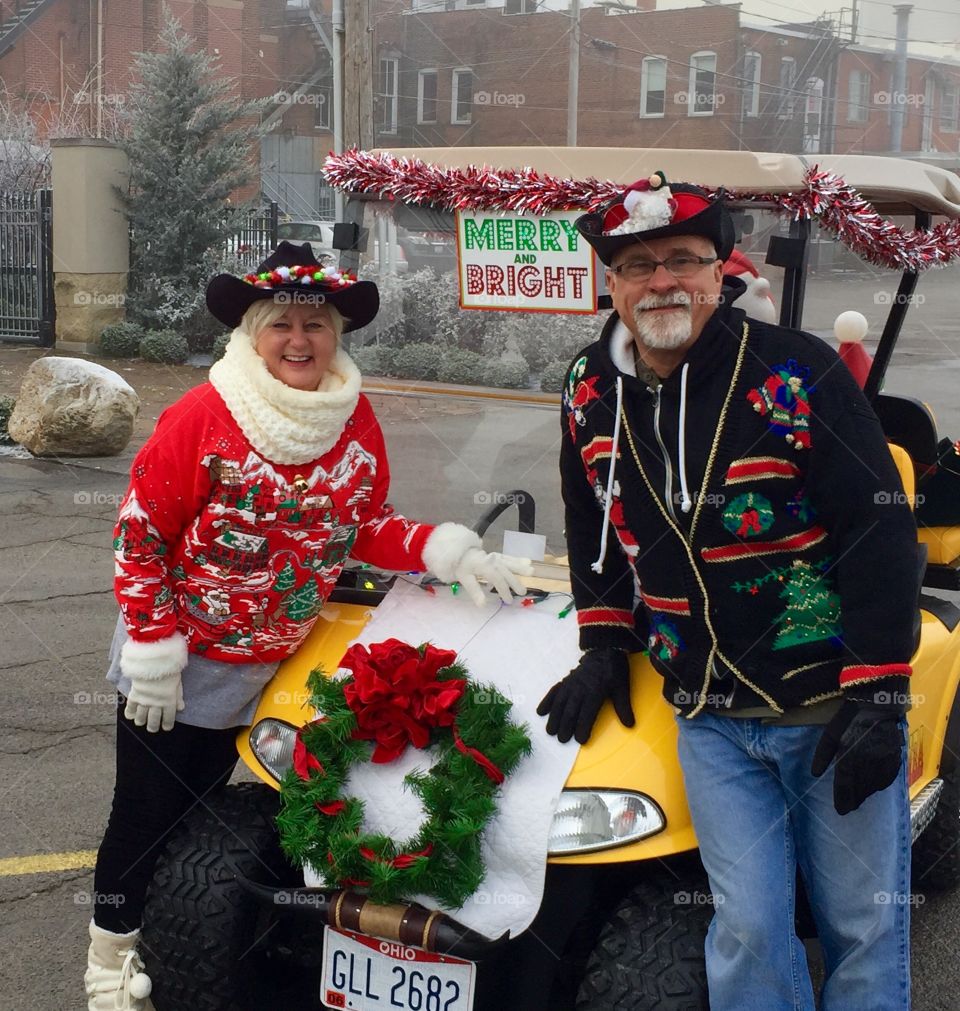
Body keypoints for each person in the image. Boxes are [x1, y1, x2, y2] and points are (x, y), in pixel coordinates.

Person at [85, 241, 532, 1010]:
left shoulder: (352, 419)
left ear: (337, 336)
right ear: (253, 334)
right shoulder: (206, 413)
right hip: (180, 663)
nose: (300, 340)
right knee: (146, 818)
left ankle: (178, 936)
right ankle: (108, 964)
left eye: (316, 325)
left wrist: (443, 547)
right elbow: (139, 534)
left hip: (272, 663)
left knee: (202, 821)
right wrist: (156, 646)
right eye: (282, 324)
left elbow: (365, 524)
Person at [537, 175, 918, 1010]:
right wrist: (604, 641)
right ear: (612, 283)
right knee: (746, 925)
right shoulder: (585, 389)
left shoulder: (797, 371)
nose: (662, 280)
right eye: (638, 264)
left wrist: (879, 694)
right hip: (706, 717)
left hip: (827, 707)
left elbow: (880, 531)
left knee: (864, 924)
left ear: (719, 273)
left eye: (683, 259)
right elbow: (586, 515)